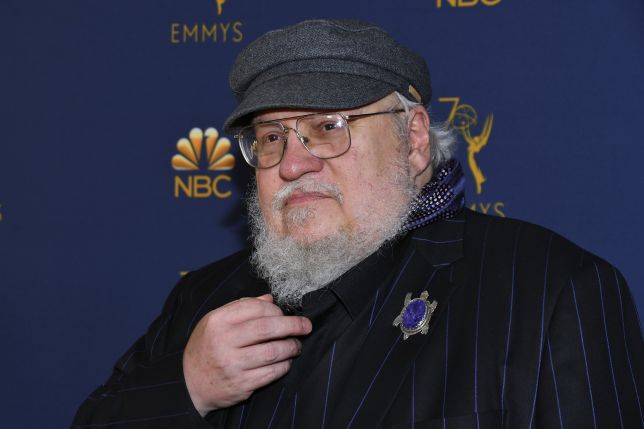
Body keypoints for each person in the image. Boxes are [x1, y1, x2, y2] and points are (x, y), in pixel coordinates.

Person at [72, 19, 643, 428]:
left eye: (328, 127)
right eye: (271, 138)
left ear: (414, 141)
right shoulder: (202, 300)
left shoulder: (548, 290)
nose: (293, 164)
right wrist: (189, 386)